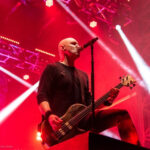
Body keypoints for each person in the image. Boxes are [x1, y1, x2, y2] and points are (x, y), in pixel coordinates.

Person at [37, 37, 140, 149]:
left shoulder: (83, 76)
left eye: (77, 43)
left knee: (121, 115)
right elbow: (42, 95)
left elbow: (89, 104)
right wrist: (49, 115)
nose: (78, 46)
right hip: (59, 126)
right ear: (63, 48)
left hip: (83, 121)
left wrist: (107, 101)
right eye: (73, 44)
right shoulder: (53, 68)